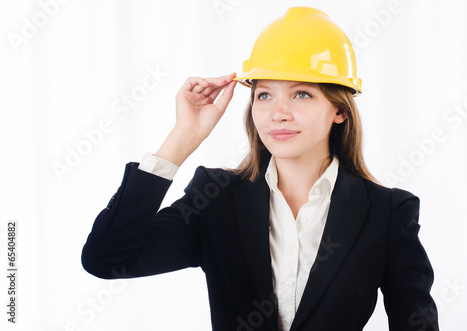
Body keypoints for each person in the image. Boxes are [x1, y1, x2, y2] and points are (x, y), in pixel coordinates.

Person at [81, 7, 439, 331]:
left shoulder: (386, 212)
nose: (277, 113)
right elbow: (108, 258)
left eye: (301, 94)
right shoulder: (216, 197)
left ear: (339, 110)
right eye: (264, 95)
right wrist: (182, 138)